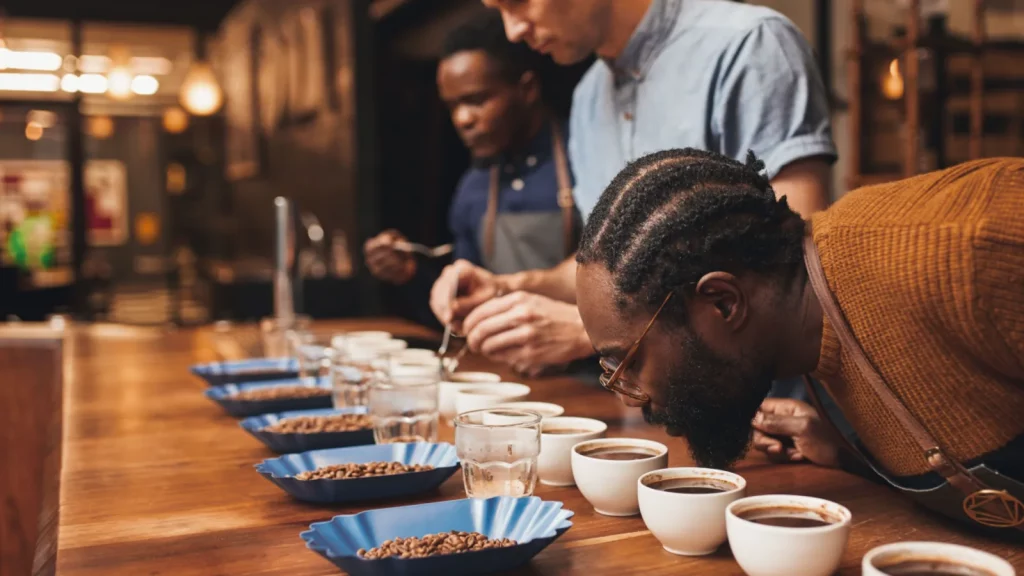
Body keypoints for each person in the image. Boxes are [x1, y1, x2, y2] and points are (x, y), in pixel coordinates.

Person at [574, 148, 1024, 530]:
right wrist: (850, 453)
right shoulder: (805, 334)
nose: (631, 396)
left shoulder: (977, 247)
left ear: (723, 303)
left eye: (629, 361)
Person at [429, 0, 836, 376]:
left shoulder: (749, 46)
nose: (512, 30)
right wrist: (511, 286)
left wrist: (596, 332)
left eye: (517, 1)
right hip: (648, 408)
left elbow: (795, 262)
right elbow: (612, 265)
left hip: (763, 411)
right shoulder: (590, 96)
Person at [364, 12, 578, 293]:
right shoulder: (473, 188)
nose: (462, 119)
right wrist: (411, 274)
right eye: (452, 106)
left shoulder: (584, 154)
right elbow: (465, 305)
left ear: (528, 89)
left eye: (476, 100)